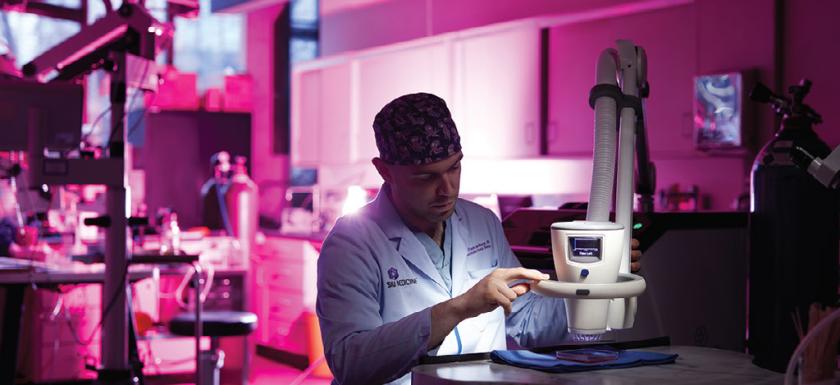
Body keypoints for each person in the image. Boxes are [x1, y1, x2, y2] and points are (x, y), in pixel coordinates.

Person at [316, 93, 642, 385]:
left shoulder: (481, 222)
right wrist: (461, 307)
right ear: (384, 171)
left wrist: (594, 283)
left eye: (454, 169)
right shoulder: (353, 243)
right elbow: (351, 362)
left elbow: (524, 320)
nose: (447, 190)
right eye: (426, 177)